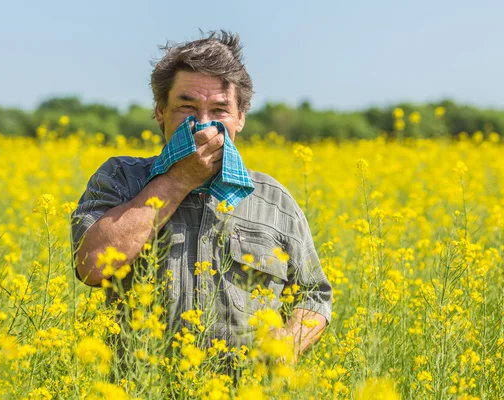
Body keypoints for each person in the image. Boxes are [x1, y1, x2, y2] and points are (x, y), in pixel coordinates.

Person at [71, 30, 332, 365]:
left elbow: (315, 294)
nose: (203, 125)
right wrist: (179, 179)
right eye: (186, 106)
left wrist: (287, 345)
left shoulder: (274, 201)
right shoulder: (121, 179)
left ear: (240, 119)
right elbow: (90, 266)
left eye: (220, 109)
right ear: (160, 112)